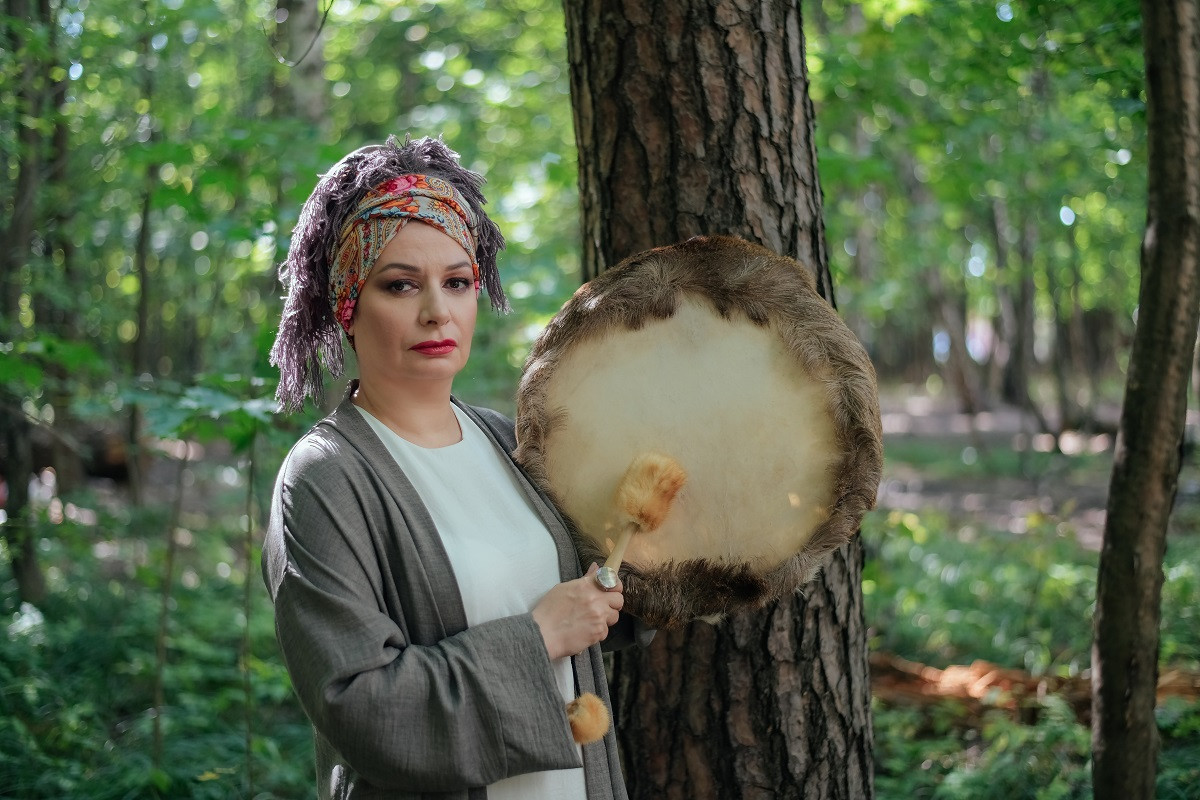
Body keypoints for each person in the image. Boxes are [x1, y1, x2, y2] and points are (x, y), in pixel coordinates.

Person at [262, 136, 637, 800]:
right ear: (349, 303)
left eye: (457, 282)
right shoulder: (325, 479)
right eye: (400, 284)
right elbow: (364, 709)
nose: (437, 310)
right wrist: (540, 637)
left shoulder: (506, 442)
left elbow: (595, 604)